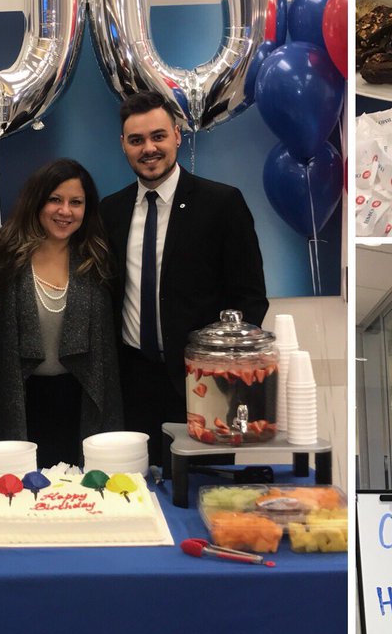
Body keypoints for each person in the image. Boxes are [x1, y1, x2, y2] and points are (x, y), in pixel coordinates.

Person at [99, 90, 268, 464]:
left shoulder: (222, 204)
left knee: (202, 491)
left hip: (203, 384)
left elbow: (251, 297)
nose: (149, 149)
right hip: (132, 384)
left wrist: (225, 371)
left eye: (158, 136)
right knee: (135, 489)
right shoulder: (109, 211)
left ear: (177, 135)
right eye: (137, 140)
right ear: (123, 145)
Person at [0, 159, 122, 468]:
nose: (65, 211)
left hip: (82, 399)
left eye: (76, 202)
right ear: (37, 201)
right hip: (22, 398)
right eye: (55, 200)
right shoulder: (4, 256)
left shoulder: (97, 259)